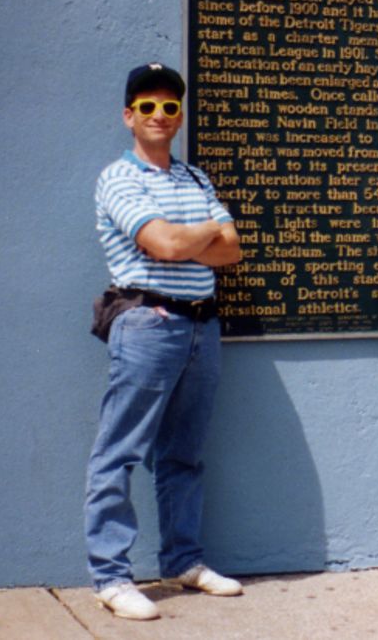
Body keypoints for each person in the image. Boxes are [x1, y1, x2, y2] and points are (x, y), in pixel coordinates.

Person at [85, 63, 243, 620]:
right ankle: (110, 575)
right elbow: (167, 244)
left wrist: (184, 239)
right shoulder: (119, 178)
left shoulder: (194, 179)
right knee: (120, 451)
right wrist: (197, 234)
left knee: (185, 454)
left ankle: (183, 559)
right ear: (129, 116)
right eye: (147, 106)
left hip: (202, 324)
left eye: (169, 107)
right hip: (147, 323)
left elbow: (232, 250)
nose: (159, 115)